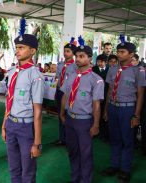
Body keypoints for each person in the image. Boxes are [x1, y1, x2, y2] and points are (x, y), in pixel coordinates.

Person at [1, 18, 43, 182]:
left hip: (26, 127)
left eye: (21, 48)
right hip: (11, 123)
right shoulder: (12, 72)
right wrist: (4, 124)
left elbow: (38, 111)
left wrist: (37, 142)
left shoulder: (35, 75)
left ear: (32, 51)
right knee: (13, 167)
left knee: (28, 170)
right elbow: (8, 101)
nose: (17, 51)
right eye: (16, 47)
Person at [101, 35, 146, 182]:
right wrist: (106, 110)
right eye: (118, 51)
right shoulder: (112, 69)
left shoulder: (138, 71)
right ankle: (114, 165)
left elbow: (140, 95)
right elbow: (109, 91)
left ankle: (125, 169)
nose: (119, 54)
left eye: (123, 52)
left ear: (131, 54)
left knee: (127, 140)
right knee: (114, 138)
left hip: (128, 109)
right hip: (113, 107)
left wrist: (136, 115)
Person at [60, 36, 104, 183]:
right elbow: (65, 96)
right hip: (70, 119)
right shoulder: (71, 76)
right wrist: (62, 113)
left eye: (81, 56)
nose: (78, 59)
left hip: (84, 122)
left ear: (90, 58)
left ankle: (85, 180)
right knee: (72, 152)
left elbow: (96, 104)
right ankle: (75, 178)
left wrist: (96, 124)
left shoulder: (96, 80)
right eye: (76, 56)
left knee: (85, 154)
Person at [54, 37, 77, 146]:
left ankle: (69, 139)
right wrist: (56, 91)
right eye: (64, 51)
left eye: (68, 51)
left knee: (68, 115)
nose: (65, 53)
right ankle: (61, 138)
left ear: (73, 53)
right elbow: (58, 79)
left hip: (69, 93)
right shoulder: (60, 65)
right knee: (60, 115)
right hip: (59, 92)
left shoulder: (75, 66)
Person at [93, 54, 109, 142]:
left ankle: (104, 133)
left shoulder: (109, 70)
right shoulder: (93, 70)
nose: (99, 63)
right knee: (95, 112)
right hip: (95, 95)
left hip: (106, 95)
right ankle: (95, 131)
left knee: (104, 114)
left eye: (101, 61)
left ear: (105, 62)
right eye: (97, 61)